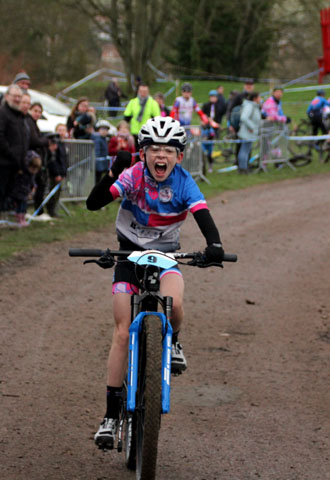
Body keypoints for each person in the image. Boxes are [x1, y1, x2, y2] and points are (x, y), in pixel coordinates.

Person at [85, 116, 226, 449]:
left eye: (168, 150)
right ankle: (110, 415)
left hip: (166, 256)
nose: (161, 156)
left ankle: (173, 341)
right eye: (154, 150)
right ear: (143, 152)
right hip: (128, 255)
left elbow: (203, 215)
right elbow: (94, 203)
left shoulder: (183, 181)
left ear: (178, 155)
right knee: (122, 332)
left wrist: (215, 245)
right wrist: (112, 172)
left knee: (174, 304)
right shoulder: (133, 174)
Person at [0, 84, 43, 220]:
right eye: (15, 96)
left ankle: (6, 211)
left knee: (10, 189)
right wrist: (10, 152)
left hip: (16, 161)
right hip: (2, 160)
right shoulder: (1, 113)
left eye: (19, 96)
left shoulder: (19, 115)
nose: (17, 99)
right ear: (7, 97)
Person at [9, 151, 43, 227]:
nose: (34, 171)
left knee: (24, 206)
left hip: (25, 193)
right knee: (20, 206)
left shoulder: (32, 174)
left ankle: (23, 218)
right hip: (19, 192)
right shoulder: (22, 173)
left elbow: (32, 182)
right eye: (33, 169)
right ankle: (19, 218)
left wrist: (33, 187)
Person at [237, 92, 262, 174]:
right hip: (247, 132)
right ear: (254, 98)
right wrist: (252, 127)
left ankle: (244, 167)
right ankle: (243, 168)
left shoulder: (253, 106)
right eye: (259, 97)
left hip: (250, 133)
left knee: (246, 150)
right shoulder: (249, 106)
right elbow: (244, 117)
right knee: (244, 150)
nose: (260, 99)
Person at [201, 90, 224, 171]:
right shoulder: (206, 105)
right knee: (203, 146)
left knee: (210, 149)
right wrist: (205, 121)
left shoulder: (219, 107)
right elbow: (202, 115)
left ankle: (210, 164)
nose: (212, 98)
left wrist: (217, 125)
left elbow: (220, 118)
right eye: (211, 97)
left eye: (214, 97)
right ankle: (203, 164)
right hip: (206, 128)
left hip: (214, 130)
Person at [92, 120, 111, 184]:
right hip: (98, 165)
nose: (104, 131)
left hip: (103, 164)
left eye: (106, 129)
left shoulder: (105, 139)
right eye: (102, 129)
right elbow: (97, 152)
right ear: (98, 130)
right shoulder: (97, 139)